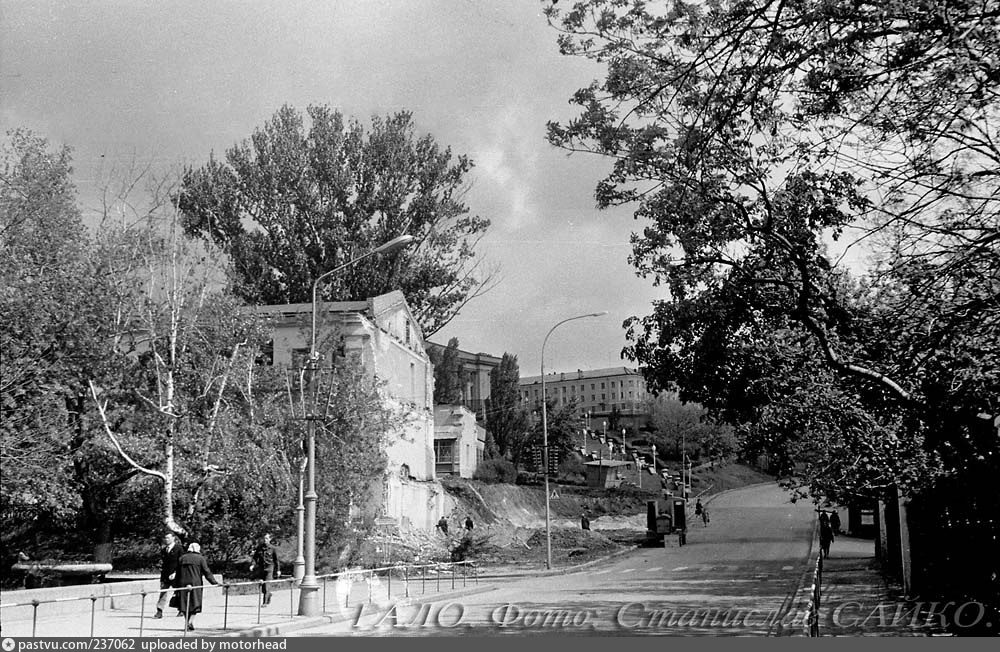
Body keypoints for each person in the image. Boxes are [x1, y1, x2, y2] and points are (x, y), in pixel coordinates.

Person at [173, 542, 219, 632]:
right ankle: (189, 622)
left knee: (184, 604)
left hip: (182, 583)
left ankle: (187, 622)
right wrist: (214, 582)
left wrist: (176, 585)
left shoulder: (182, 558)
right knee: (195, 603)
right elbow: (207, 572)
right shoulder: (200, 558)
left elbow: (177, 572)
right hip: (195, 583)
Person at [154, 532, 183, 619]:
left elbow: (181, 562)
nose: (166, 540)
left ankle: (181, 609)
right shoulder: (164, 550)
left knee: (179, 592)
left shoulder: (179, 549)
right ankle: (159, 611)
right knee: (163, 593)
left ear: (173, 538)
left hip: (176, 575)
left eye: (168, 538)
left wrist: (175, 573)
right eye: (165, 538)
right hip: (165, 575)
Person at [249, 533, 279, 606]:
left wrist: (278, 570)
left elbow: (276, 560)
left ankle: (264, 603)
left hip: (269, 568)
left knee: (266, 585)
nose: (265, 540)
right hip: (261, 568)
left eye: (267, 538)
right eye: (264, 538)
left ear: (270, 539)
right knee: (263, 586)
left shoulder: (273, 548)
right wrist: (253, 565)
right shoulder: (260, 547)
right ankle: (269, 595)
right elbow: (255, 558)